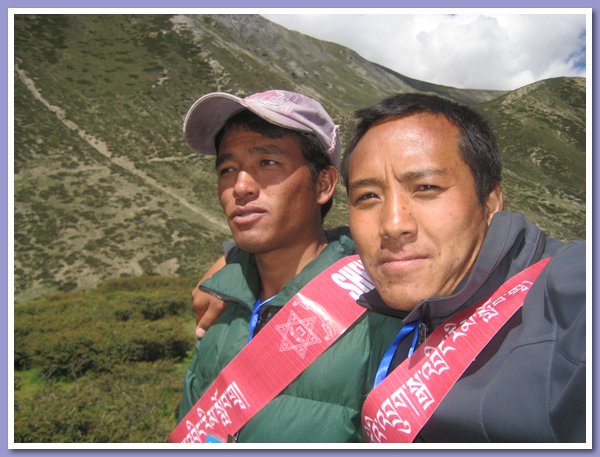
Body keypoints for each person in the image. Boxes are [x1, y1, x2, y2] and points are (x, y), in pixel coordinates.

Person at [342, 93, 586, 443]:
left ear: (490, 202)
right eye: (367, 197)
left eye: (426, 187)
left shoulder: (569, 297)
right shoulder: (393, 303)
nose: (393, 224)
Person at [175, 89, 404, 442]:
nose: (241, 187)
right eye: (227, 168)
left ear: (323, 184)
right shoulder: (220, 307)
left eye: (267, 162)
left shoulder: (381, 313)